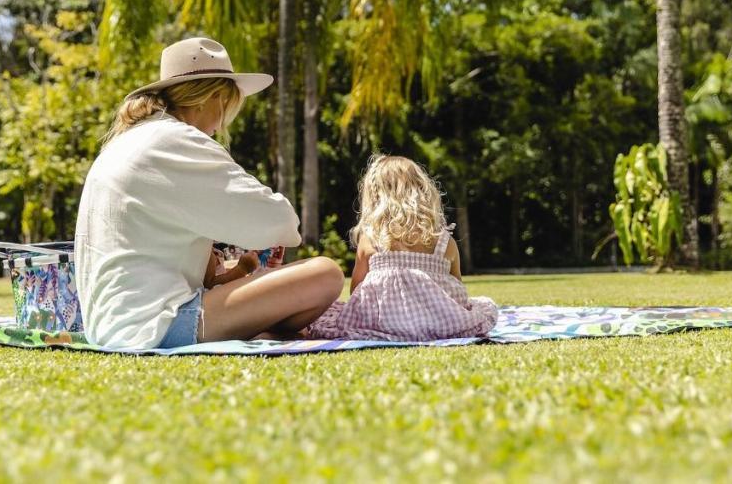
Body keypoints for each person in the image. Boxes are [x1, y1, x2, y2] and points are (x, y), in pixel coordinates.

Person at [75, 36, 344, 350]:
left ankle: (263, 333)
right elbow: (282, 223)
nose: (223, 123)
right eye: (228, 106)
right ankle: (265, 333)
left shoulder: (129, 142)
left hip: (111, 325)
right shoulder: (178, 141)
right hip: (155, 325)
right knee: (326, 274)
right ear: (211, 97)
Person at [306, 154, 498, 342]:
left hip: (382, 323)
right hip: (440, 323)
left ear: (374, 198)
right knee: (483, 305)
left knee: (328, 313)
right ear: (423, 192)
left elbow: (357, 289)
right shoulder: (444, 242)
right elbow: (457, 289)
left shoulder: (371, 240)